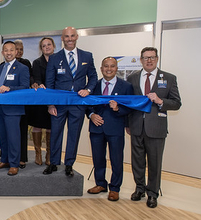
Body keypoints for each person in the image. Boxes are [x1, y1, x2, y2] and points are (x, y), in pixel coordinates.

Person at [127, 47, 181, 208]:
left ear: (157, 59)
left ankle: (152, 193)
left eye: (151, 57)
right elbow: (128, 103)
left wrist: (160, 101)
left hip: (156, 127)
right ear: (141, 60)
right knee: (137, 161)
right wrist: (127, 124)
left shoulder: (169, 78)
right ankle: (139, 189)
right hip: (136, 126)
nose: (149, 60)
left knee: (155, 162)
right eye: (145, 58)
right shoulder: (132, 78)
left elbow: (177, 103)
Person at [44, 27, 97, 177]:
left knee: (74, 134)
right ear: (62, 38)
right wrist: (50, 104)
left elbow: (93, 77)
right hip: (58, 104)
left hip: (78, 104)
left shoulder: (87, 56)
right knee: (55, 133)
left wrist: (89, 90)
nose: (69, 39)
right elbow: (49, 82)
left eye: (72, 36)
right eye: (66, 36)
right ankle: (53, 163)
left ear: (77, 36)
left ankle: (69, 164)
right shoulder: (54, 58)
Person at [86, 57, 134, 202]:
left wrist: (118, 108)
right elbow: (87, 104)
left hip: (115, 128)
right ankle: (100, 184)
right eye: (106, 66)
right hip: (96, 128)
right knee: (98, 158)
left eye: (112, 66)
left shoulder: (126, 86)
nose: (109, 68)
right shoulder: (94, 85)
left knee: (116, 159)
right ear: (101, 68)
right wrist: (91, 114)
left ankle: (114, 188)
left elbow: (130, 107)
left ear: (116, 68)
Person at [0, 41, 30, 176]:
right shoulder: (0, 68)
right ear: (2, 53)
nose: (8, 53)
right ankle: (5, 160)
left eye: (11, 50)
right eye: (5, 50)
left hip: (13, 109)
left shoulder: (22, 68)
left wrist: (9, 88)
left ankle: (14, 164)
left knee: (13, 137)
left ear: (16, 52)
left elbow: (25, 87)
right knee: (3, 137)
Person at [30, 37, 55, 166]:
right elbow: (36, 78)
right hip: (40, 98)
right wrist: (39, 84)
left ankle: (49, 154)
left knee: (51, 126)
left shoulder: (59, 60)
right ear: (41, 48)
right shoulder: (37, 62)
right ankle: (38, 153)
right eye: (44, 45)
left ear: (53, 46)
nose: (46, 47)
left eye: (49, 45)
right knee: (37, 125)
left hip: (54, 98)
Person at [15, 39, 33, 169]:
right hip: (9, 104)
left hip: (23, 103)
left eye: (21, 49)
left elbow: (30, 80)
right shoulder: (3, 65)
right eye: (17, 49)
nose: (19, 51)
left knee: (22, 130)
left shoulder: (26, 64)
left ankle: (22, 158)